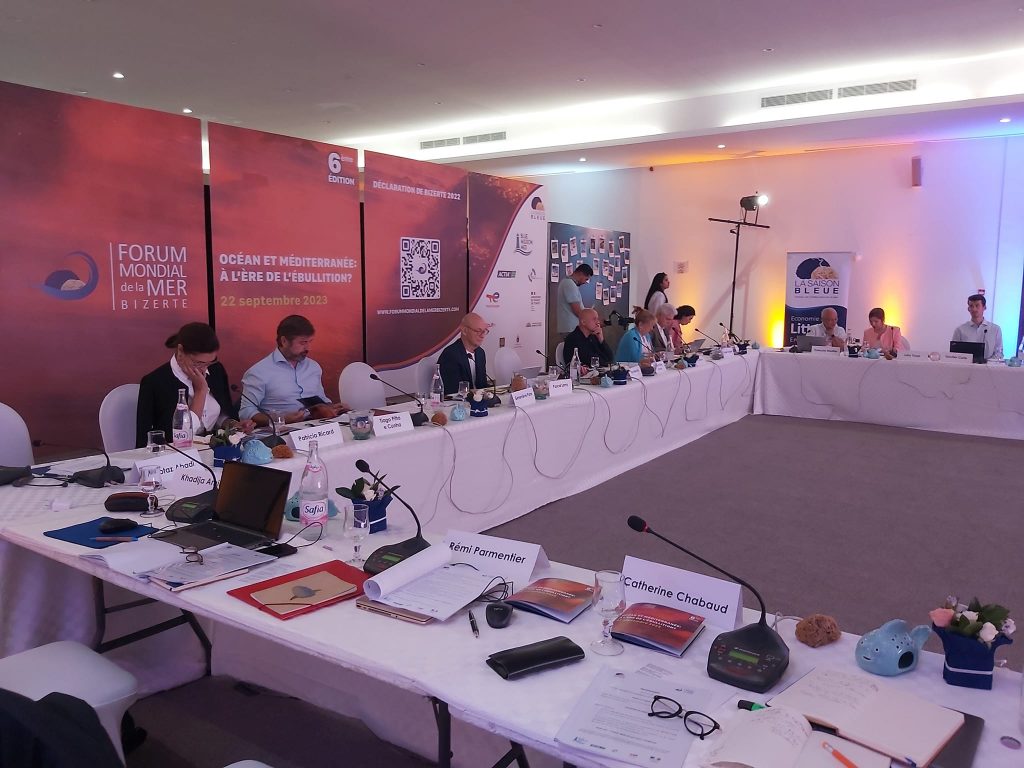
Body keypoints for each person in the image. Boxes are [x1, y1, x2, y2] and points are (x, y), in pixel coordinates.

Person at [136, 322, 252, 447]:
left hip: (213, 447)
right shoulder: (155, 382)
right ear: (180, 351)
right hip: (178, 452)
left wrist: (233, 425)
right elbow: (177, 434)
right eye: (198, 363)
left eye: (209, 362)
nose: (204, 369)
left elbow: (219, 415)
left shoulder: (216, 370)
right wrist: (201, 391)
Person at [240, 315, 346, 425]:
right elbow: (246, 412)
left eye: (310, 342)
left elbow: (321, 399)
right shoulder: (258, 372)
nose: (308, 348)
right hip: (282, 431)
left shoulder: (313, 367)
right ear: (284, 341)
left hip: (317, 427)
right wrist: (281, 419)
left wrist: (330, 408)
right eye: (303, 343)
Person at [438, 313, 489, 395]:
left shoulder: (480, 353)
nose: (482, 335)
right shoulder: (450, 355)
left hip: (477, 400)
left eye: (484, 331)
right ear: (465, 331)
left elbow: (483, 386)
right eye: (478, 331)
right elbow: (452, 391)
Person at [952, 293, 1003, 360]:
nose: (974, 309)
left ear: (984, 307)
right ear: (968, 309)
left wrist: (986, 363)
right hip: (965, 365)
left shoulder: (996, 329)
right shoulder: (960, 330)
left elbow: (999, 353)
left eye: (977, 305)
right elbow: (954, 354)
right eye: (971, 306)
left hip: (989, 366)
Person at [556, 264, 594, 339]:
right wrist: (590, 319)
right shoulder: (569, 284)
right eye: (586, 279)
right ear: (581, 274)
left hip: (570, 328)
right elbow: (577, 310)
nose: (585, 282)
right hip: (571, 329)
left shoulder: (568, 283)